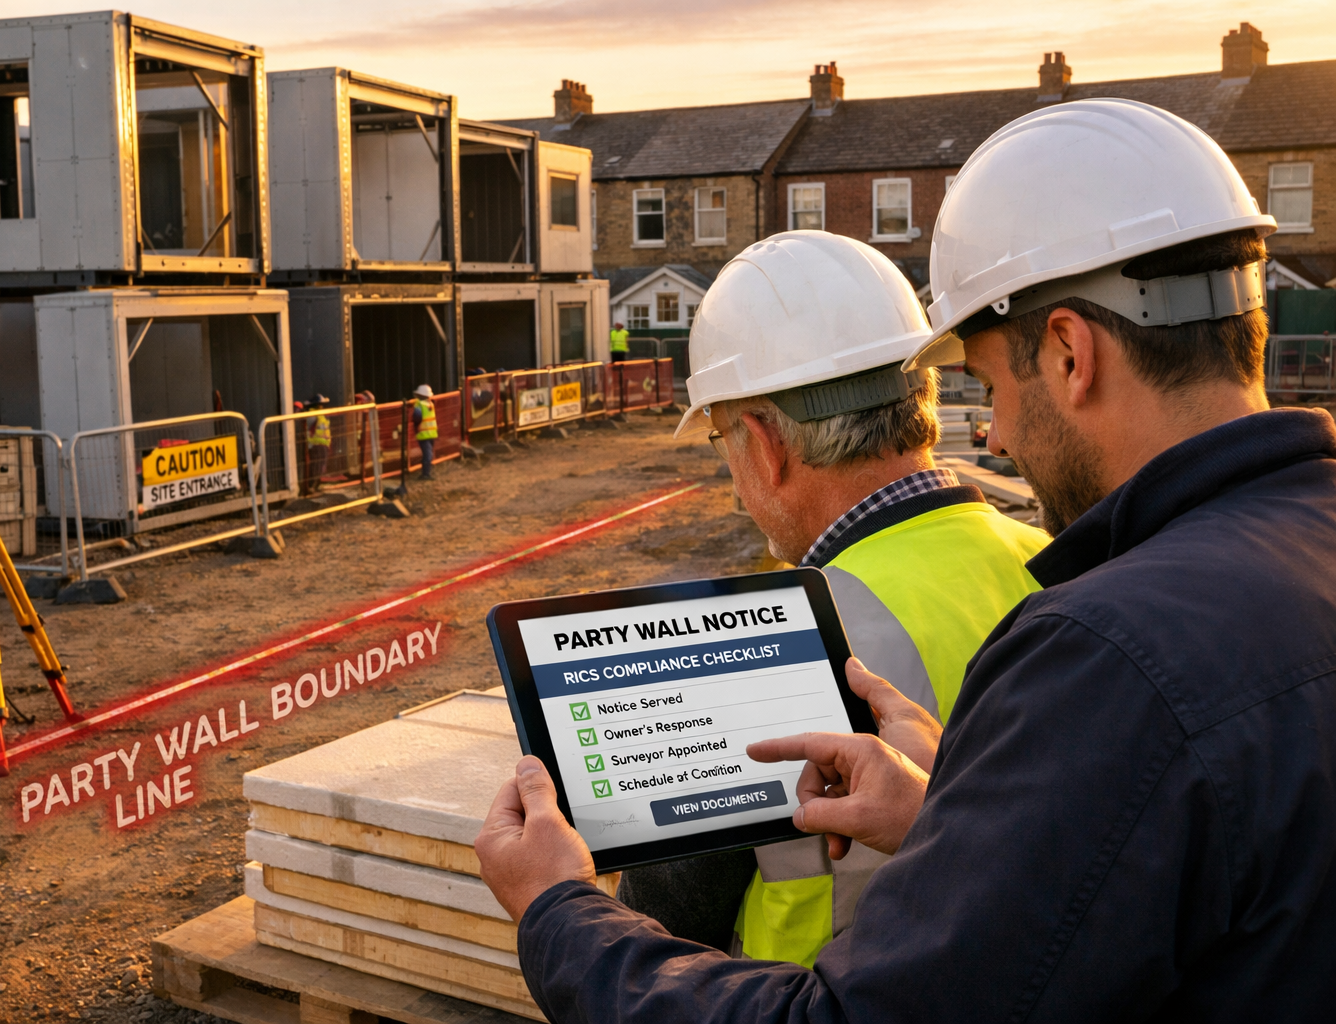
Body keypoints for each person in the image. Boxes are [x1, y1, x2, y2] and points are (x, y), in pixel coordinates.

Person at [475, 99, 1336, 1020]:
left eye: (995, 386)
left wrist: (557, 910)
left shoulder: (1108, 647)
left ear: (1070, 353)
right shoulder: (1274, 555)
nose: (996, 435)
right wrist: (950, 822)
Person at [617, 230, 1049, 966]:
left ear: (764, 442)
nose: (732, 479)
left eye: (722, 440)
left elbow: (663, 924)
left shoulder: (760, 646)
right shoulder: (1055, 561)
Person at [304, 394, 332, 493]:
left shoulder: (321, 415)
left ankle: (315, 485)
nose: (322, 406)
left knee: (321, 467)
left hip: (323, 445)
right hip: (316, 445)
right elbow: (308, 430)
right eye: (320, 404)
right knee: (316, 467)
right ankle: (311, 486)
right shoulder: (312, 415)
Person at [412, 384, 438, 480]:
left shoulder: (426, 404)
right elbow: (417, 418)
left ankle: (426, 473)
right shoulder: (423, 404)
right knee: (428, 455)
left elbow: (417, 418)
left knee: (428, 454)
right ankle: (425, 474)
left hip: (428, 434)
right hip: (425, 434)